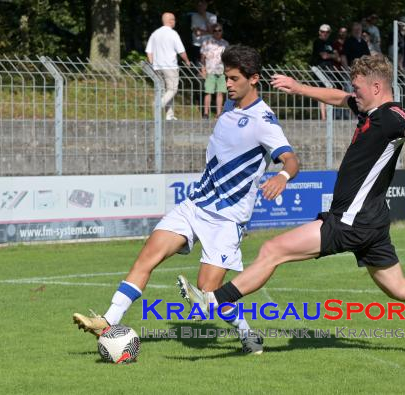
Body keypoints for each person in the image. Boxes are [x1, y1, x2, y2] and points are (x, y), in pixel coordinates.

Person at [180, 54, 405, 358]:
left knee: (273, 250)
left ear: (375, 88)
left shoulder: (392, 116)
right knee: (398, 287)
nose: (353, 94)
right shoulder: (367, 109)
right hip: (371, 223)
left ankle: (212, 300)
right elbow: (338, 97)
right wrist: (300, 88)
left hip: (351, 221)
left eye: (357, 88)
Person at [73, 45, 300, 355]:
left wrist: (282, 176)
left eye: (234, 79)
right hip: (194, 205)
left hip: (227, 219)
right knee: (148, 255)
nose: (228, 84)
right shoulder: (230, 109)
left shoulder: (264, 120)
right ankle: (108, 322)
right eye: (225, 77)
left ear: (254, 79)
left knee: (208, 293)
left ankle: (247, 333)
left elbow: (291, 160)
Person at [145, 12, 190, 121]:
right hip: (170, 66)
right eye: (174, 19)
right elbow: (181, 51)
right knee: (173, 89)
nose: (175, 22)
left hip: (157, 66)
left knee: (166, 90)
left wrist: (152, 63)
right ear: (170, 21)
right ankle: (158, 104)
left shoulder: (155, 33)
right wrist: (187, 61)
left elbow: (148, 51)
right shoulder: (173, 33)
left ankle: (169, 115)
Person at [201, 23, 229, 119]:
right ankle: (206, 113)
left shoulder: (225, 43)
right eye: (215, 30)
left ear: (222, 31)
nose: (217, 32)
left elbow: (227, 59)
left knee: (220, 92)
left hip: (222, 71)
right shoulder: (207, 42)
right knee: (208, 92)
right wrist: (203, 68)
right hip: (210, 70)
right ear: (212, 32)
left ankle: (218, 113)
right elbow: (203, 57)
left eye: (219, 30)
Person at [311, 23, 339, 121]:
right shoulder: (317, 42)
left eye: (327, 32)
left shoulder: (331, 43)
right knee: (321, 92)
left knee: (329, 91)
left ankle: (329, 115)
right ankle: (323, 116)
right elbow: (324, 56)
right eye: (323, 32)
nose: (325, 34)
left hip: (330, 69)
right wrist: (332, 56)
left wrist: (330, 55)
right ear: (319, 32)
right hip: (320, 69)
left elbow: (337, 57)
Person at [190, 0, 217, 65]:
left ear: (206, 6)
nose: (200, 7)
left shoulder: (212, 16)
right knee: (198, 66)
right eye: (199, 5)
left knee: (209, 64)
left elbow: (213, 31)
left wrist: (205, 18)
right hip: (197, 44)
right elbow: (197, 33)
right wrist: (209, 31)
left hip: (209, 44)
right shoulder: (194, 16)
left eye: (202, 5)